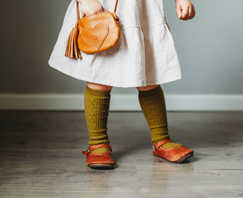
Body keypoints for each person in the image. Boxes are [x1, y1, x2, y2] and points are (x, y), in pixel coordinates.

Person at [49, 0, 196, 169]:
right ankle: (98, 144)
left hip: (141, 10)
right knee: (99, 77)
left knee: (149, 76)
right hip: (101, 6)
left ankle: (161, 140)